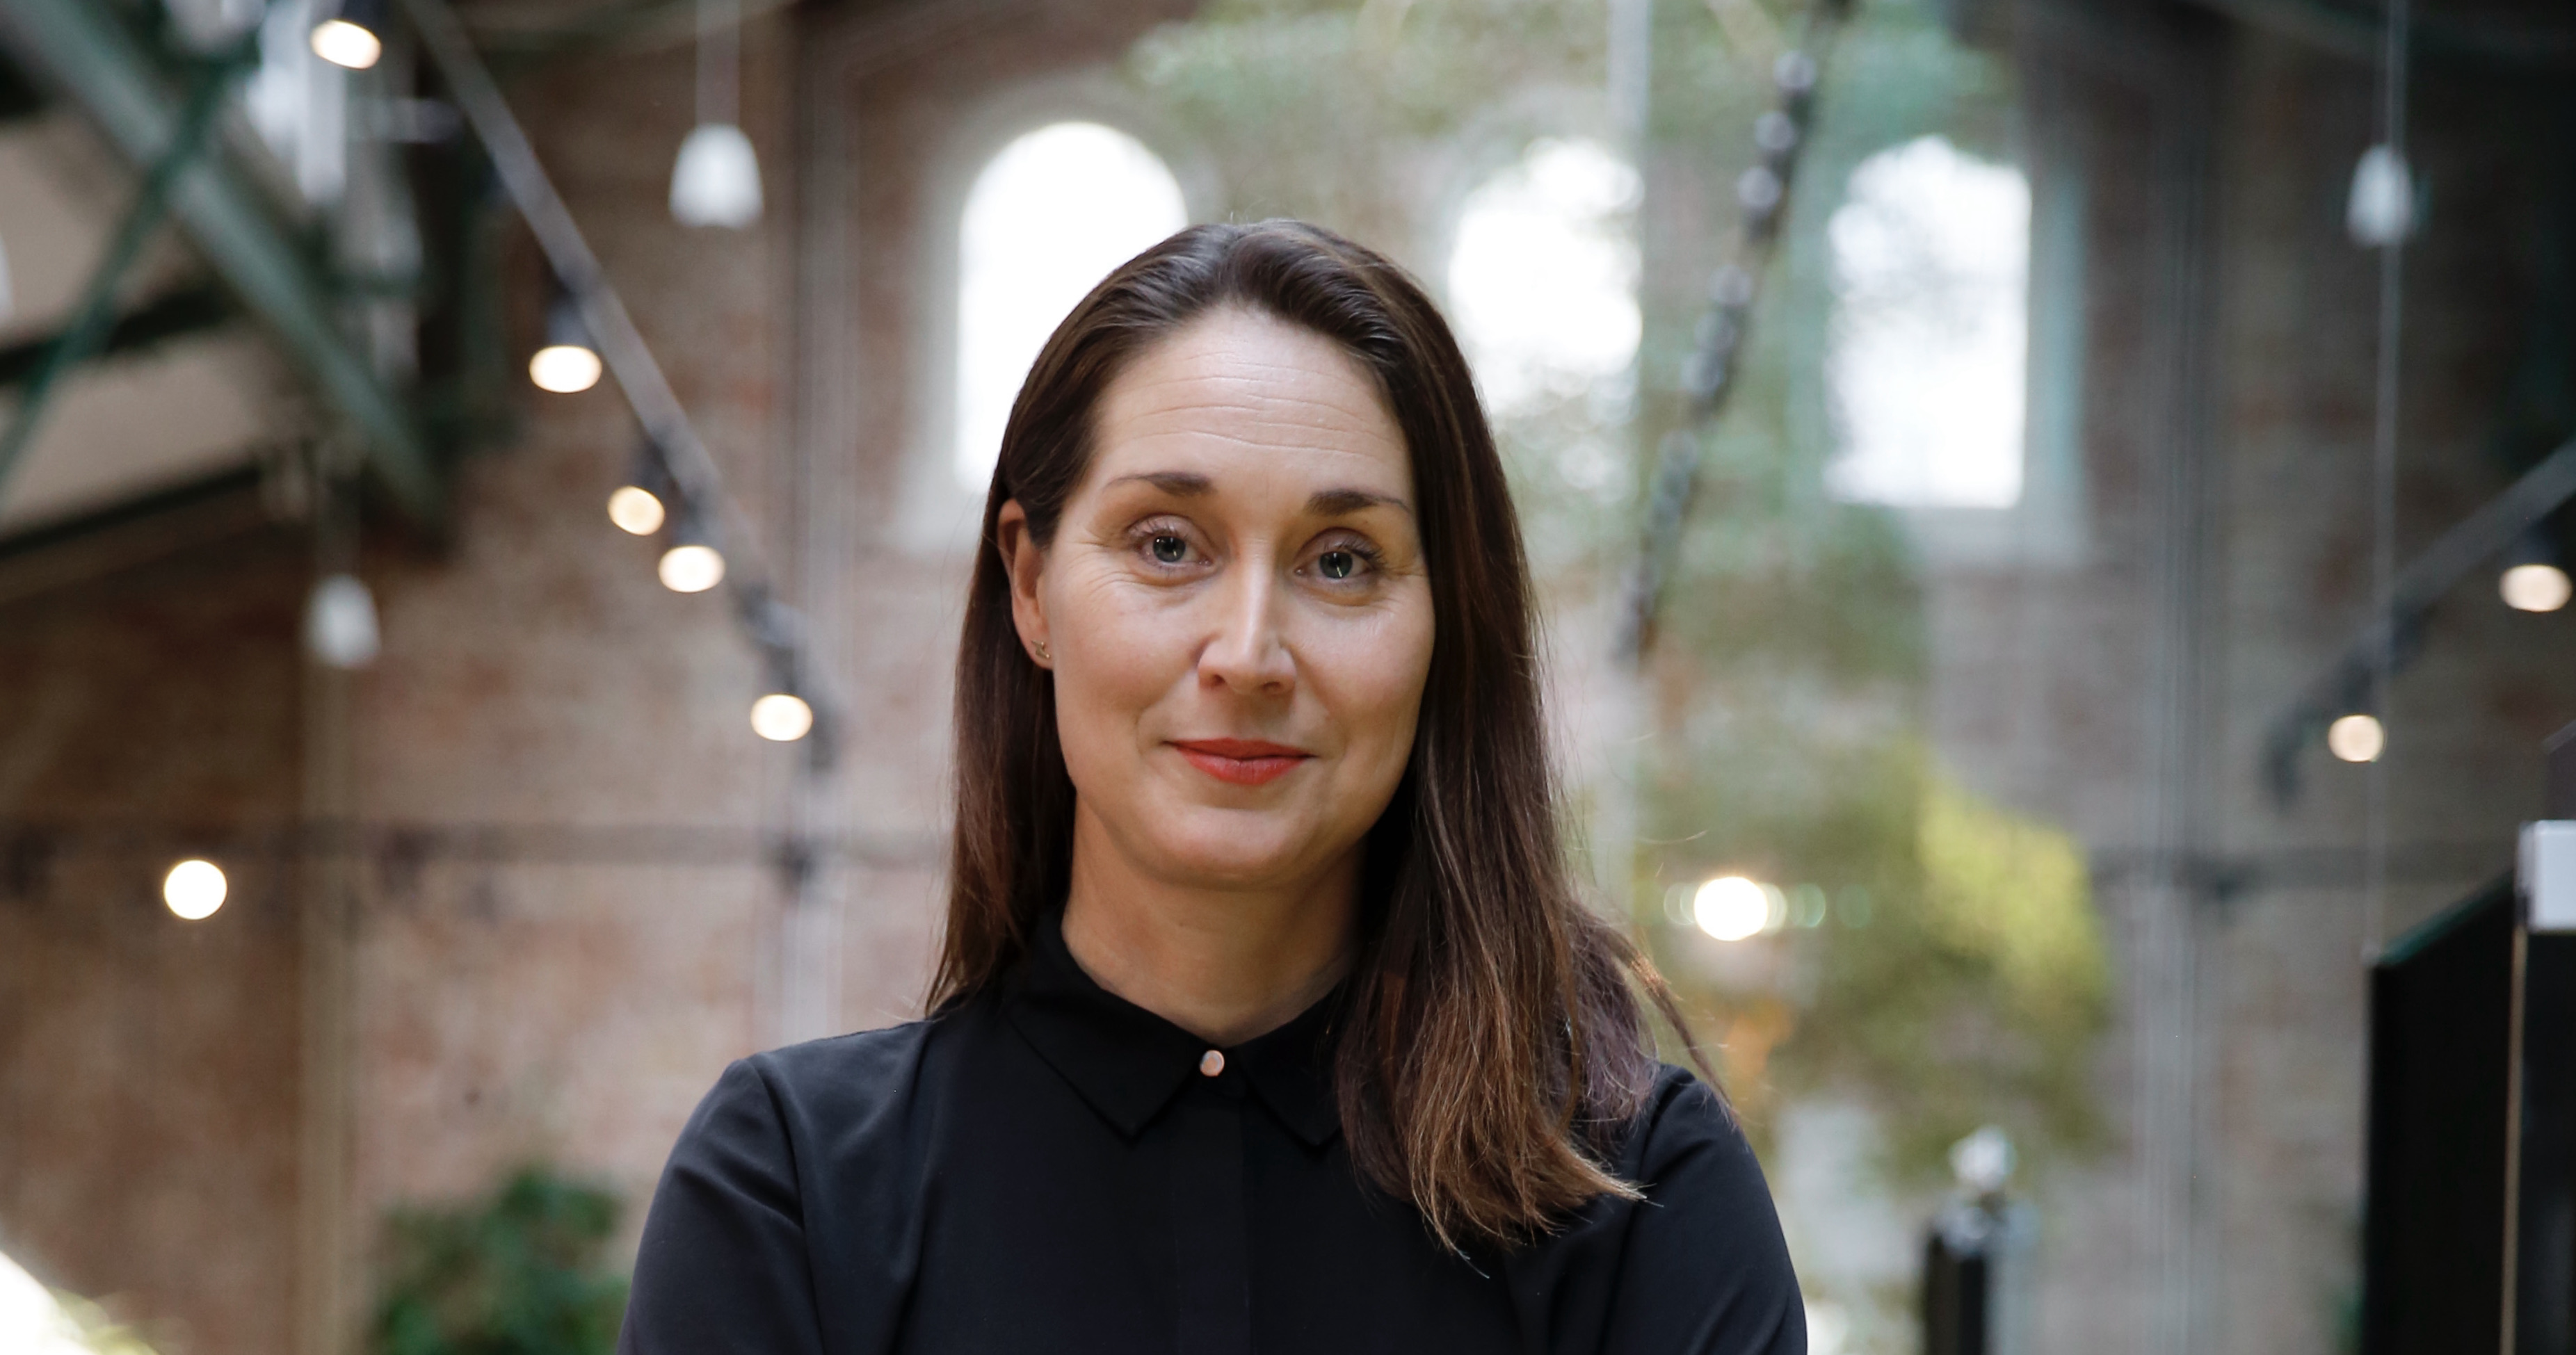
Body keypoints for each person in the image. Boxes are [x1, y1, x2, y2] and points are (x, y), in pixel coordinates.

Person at [618, 220, 1804, 1355]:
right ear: (1031, 587)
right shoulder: (791, 1189)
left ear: (1447, 622)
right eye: (1168, 545)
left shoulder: (1646, 1197)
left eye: (1341, 561)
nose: (1248, 652)